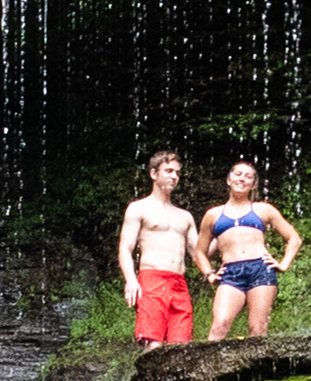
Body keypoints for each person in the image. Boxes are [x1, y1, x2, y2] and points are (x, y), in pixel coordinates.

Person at [200, 161, 298, 339]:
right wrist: (209, 273)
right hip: (230, 272)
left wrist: (284, 264)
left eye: (248, 176)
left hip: (260, 269)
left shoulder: (263, 209)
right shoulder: (213, 215)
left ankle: (257, 367)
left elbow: (294, 239)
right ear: (228, 180)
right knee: (220, 324)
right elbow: (199, 252)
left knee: (258, 328)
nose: (242, 179)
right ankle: (210, 367)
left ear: (253, 185)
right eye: (237, 174)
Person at [117, 149, 204, 348]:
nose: (174, 176)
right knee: (154, 343)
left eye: (177, 173)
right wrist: (131, 280)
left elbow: (199, 254)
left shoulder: (185, 216)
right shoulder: (139, 208)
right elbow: (125, 248)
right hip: (152, 279)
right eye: (169, 171)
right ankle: (148, 380)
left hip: (179, 282)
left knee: (180, 348)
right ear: (154, 174)